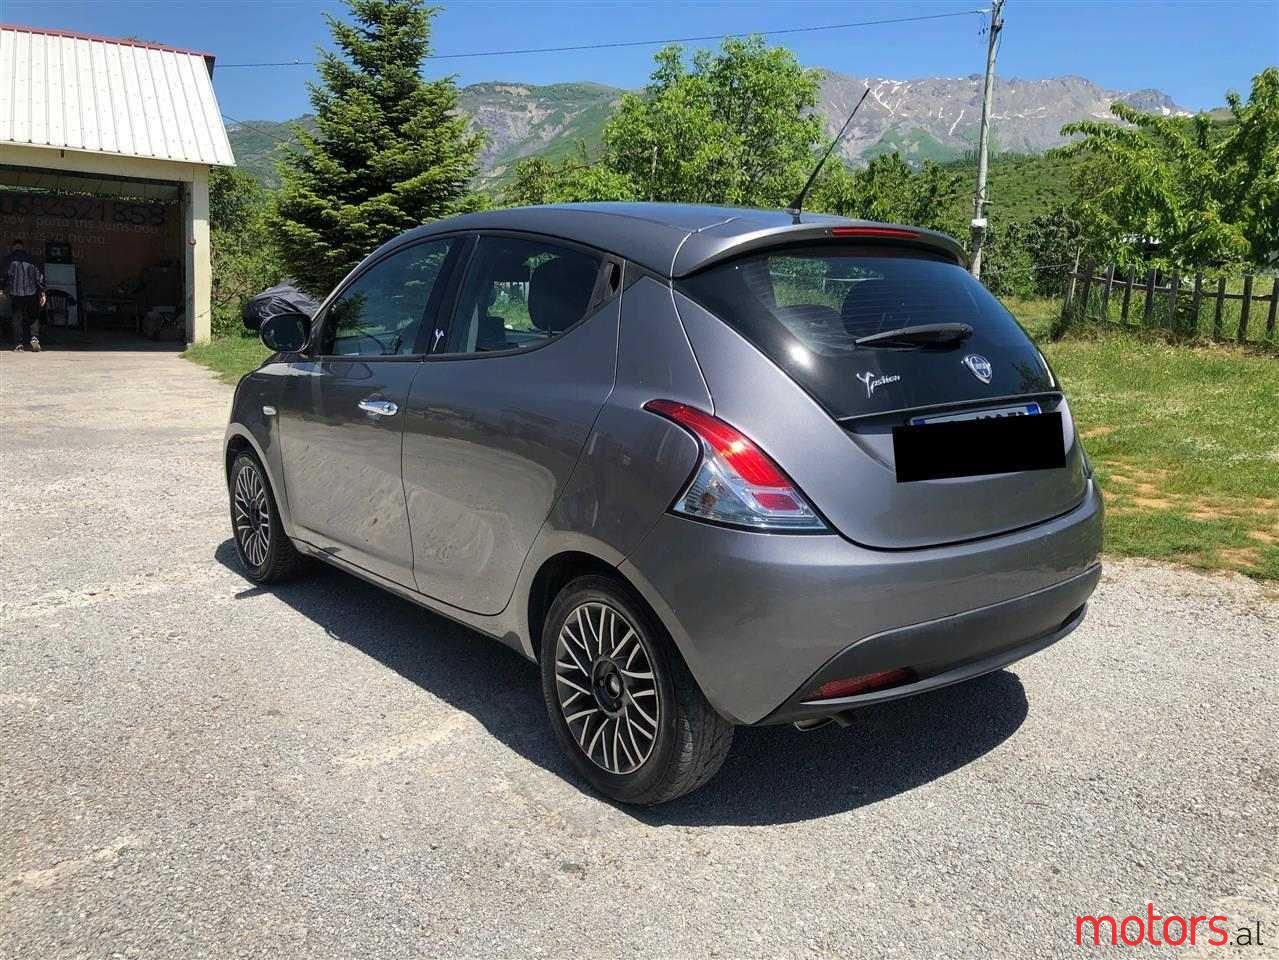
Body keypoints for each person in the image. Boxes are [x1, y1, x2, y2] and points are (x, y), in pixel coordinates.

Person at [3, 239, 46, 352]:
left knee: (17, 319)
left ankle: (19, 344)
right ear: (22, 247)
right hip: (31, 293)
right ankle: (34, 338)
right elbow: (39, 276)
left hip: (15, 293)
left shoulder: (9, 259)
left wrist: (2, 289)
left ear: (13, 247)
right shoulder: (32, 259)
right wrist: (42, 292)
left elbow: (4, 275)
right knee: (33, 316)